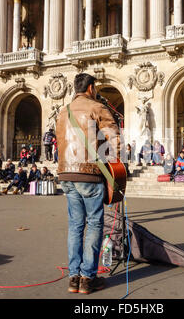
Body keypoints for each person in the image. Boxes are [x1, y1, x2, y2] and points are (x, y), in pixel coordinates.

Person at [56, 73, 120, 295]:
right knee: (93, 224)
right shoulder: (96, 107)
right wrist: (114, 171)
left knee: (75, 225)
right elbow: (113, 139)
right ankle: (87, 278)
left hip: (66, 173)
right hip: (89, 173)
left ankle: (74, 277)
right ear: (91, 88)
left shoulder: (63, 111)